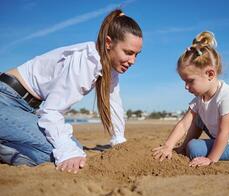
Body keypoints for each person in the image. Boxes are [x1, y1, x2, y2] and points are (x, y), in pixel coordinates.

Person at [0, 9, 143, 173]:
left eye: (137, 55)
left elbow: (114, 104)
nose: (133, 61)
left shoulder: (108, 69)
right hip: (6, 99)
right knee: (57, 154)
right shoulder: (86, 61)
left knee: (74, 147)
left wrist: (119, 140)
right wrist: (67, 153)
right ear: (108, 43)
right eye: (128, 53)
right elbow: (51, 112)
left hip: (26, 107)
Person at [152, 31, 229, 167]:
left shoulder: (228, 96)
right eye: (184, 81)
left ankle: (190, 148)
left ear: (210, 74)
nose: (186, 87)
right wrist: (168, 146)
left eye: (190, 81)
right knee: (197, 118)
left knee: (194, 148)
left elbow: (224, 133)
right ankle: (184, 147)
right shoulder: (199, 99)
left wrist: (211, 159)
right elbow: (184, 124)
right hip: (219, 137)